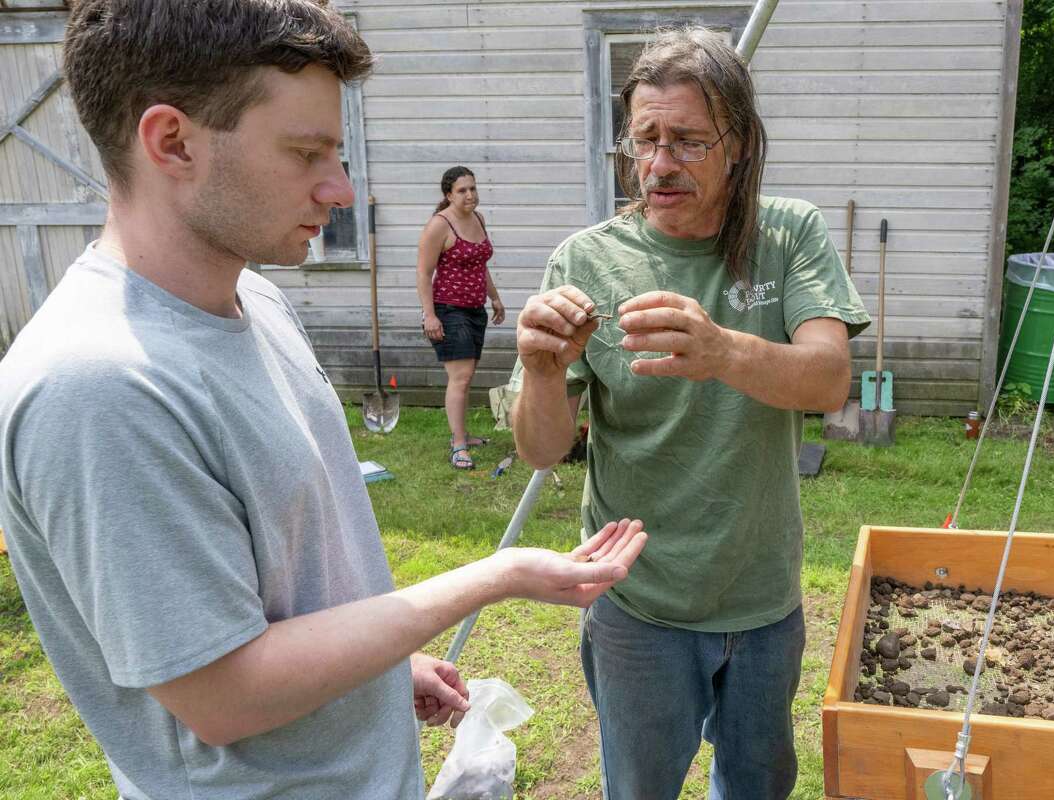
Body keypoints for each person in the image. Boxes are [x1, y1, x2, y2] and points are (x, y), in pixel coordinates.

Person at [0, 3, 646, 798]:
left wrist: (379, 664)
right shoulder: (98, 386)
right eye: (306, 153)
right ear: (172, 141)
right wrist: (496, 573)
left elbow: (289, 576)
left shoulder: (258, 302)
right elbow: (221, 694)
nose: (339, 188)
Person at [511, 26, 871, 800]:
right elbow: (542, 450)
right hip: (637, 601)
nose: (660, 164)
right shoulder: (587, 261)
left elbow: (830, 381)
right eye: (645, 140)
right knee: (639, 789)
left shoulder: (788, 235)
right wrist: (541, 370)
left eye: (687, 141)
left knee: (756, 787)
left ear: (736, 144)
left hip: (761, 595)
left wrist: (723, 352)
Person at [416, 166, 504, 470]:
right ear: (448, 195)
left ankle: (463, 433)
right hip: (448, 310)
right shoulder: (439, 225)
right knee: (460, 378)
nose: (470, 195)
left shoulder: (478, 219)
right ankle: (458, 446)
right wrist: (430, 316)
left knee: (465, 378)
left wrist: (494, 297)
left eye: (473, 188)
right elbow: (424, 273)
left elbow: (480, 264)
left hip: (475, 310)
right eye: (462, 190)